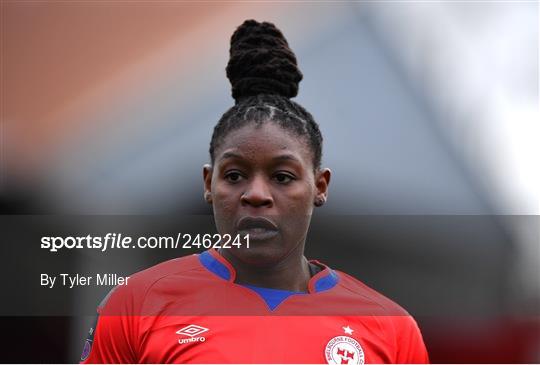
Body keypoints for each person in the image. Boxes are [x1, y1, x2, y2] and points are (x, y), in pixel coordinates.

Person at [80, 19, 429, 364]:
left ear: (319, 187)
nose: (257, 194)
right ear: (208, 184)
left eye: (282, 176)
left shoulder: (390, 329)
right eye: (234, 175)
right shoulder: (135, 306)